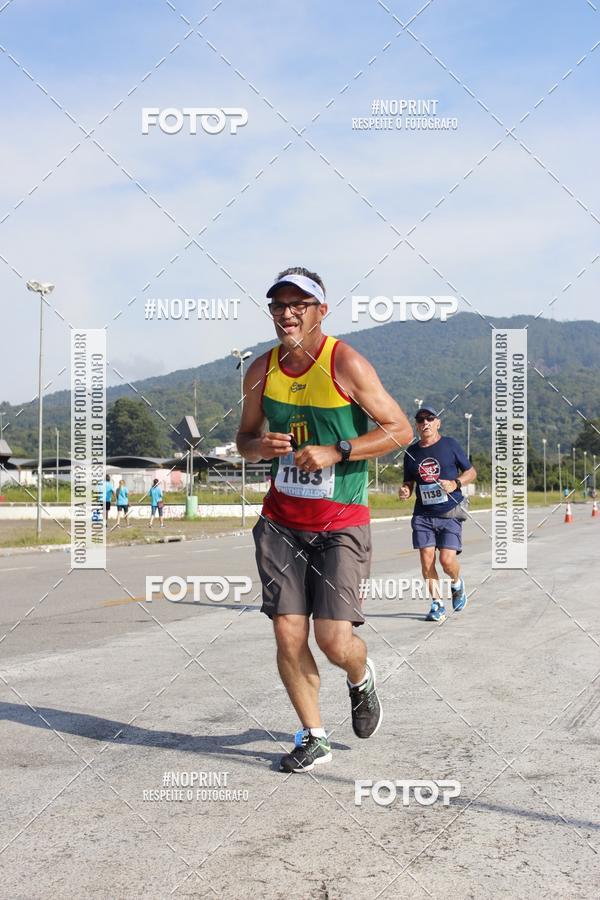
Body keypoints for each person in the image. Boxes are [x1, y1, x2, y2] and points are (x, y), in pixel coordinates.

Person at [236, 266, 413, 773]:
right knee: (288, 633)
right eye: (278, 305)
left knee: (334, 640)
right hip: (281, 522)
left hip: (340, 522)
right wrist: (257, 446)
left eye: (299, 304)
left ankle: (360, 676)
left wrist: (338, 450)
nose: (287, 314)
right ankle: (313, 736)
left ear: (320, 311)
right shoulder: (259, 371)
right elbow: (244, 438)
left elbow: (398, 429)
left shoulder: (346, 362)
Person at [398, 406, 477, 623]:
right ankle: (437, 604)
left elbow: (471, 472)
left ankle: (457, 583)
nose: (425, 423)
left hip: (450, 511)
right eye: (421, 420)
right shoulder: (411, 453)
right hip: (423, 514)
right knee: (426, 561)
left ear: (437, 423)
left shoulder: (450, 445)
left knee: (447, 560)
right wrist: (405, 489)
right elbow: (409, 481)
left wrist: (455, 483)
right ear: (417, 425)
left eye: (429, 419)